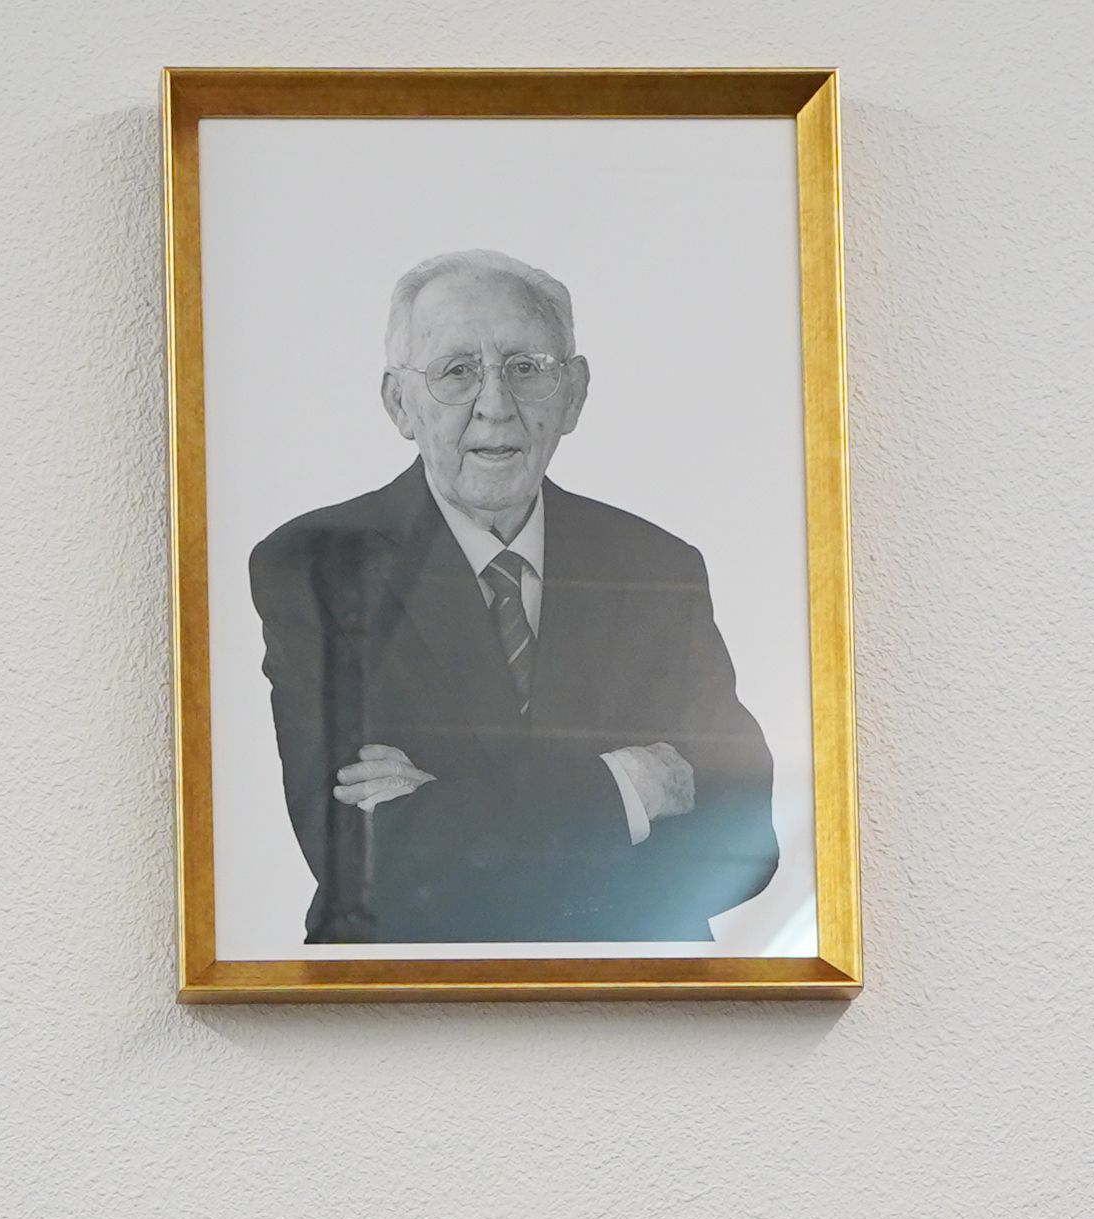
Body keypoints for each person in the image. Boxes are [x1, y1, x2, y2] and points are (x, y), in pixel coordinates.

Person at [245, 251, 782, 946]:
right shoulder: (316, 564)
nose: (494, 406)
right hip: (401, 1018)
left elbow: (743, 846)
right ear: (397, 403)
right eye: (456, 371)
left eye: (526, 369)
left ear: (575, 394)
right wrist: (629, 786)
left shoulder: (657, 567)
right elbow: (370, 866)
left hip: (638, 1011)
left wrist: (452, 812)